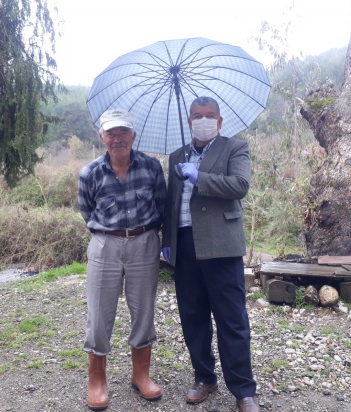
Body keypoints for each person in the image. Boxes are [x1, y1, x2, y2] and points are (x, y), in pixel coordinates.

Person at [161, 96, 259, 412]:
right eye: (198, 115)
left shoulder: (235, 148)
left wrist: (199, 177)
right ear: (189, 121)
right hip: (184, 245)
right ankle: (204, 377)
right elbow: (171, 201)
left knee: (232, 319)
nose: (204, 120)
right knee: (193, 317)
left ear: (219, 120)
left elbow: (239, 185)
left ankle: (243, 389)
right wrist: (167, 238)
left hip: (222, 245)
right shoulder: (177, 156)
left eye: (210, 115)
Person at [78, 108, 166, 410]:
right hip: (105, 243)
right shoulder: (89, 173)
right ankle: (97, 380)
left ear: (133, 135)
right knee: (99, 313)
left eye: (123, 132)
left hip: (144, 242)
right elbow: (87, 211)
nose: (118, 138)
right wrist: (110, 235)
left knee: (143, 310)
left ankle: (141, 375)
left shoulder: (152, 167)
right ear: (101, 137)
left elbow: (162, 204)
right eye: (111, 133)